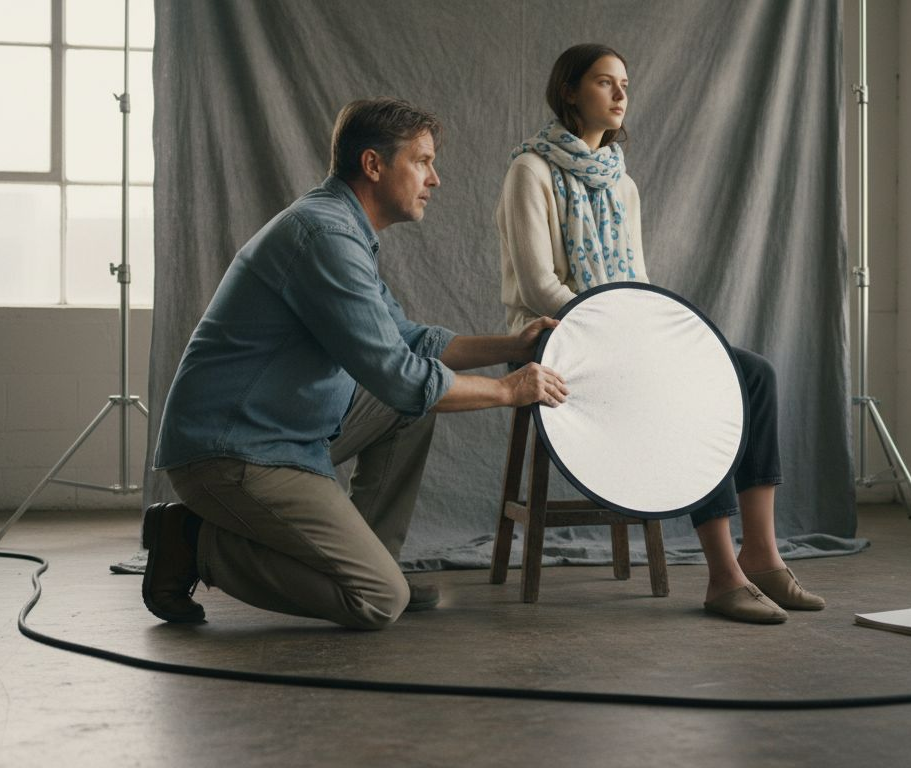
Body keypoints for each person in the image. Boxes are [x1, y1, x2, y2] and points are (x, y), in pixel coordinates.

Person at [145, 98, 569, 629]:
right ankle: (192, 542)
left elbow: (409, 340)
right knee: (376, 600)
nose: (434, 179)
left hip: (281, 430)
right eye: (422, 161)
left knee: (409, 412)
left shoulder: (343, 228)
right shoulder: (325, 236)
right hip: (232, 451)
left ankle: (371, 559)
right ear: (373, 164)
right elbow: (399, 377)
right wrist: (508, 390)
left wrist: (512, 347)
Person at [496, 44, 824, 625]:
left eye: (625, 84)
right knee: (687, 389)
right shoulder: (531, 171)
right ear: (570, 91)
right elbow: (539, 285)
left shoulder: (623, 185)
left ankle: (762, 554)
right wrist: (619, 328)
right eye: (605, 82)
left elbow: (639, 282)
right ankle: (723, 574)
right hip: (554, 340)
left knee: (752, 373)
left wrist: (644, 330)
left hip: (622, 332)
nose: (620, 94)